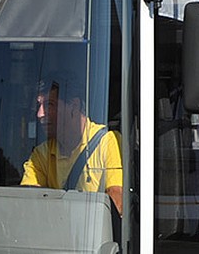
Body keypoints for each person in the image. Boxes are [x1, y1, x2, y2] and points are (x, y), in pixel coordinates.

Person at [21, 70, 123, 212]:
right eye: (39, 106)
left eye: (49, 105)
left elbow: (117, 204)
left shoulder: (108, 142)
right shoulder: (41, 154)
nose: (40, 114)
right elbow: (27, 205)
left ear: (74, 106)